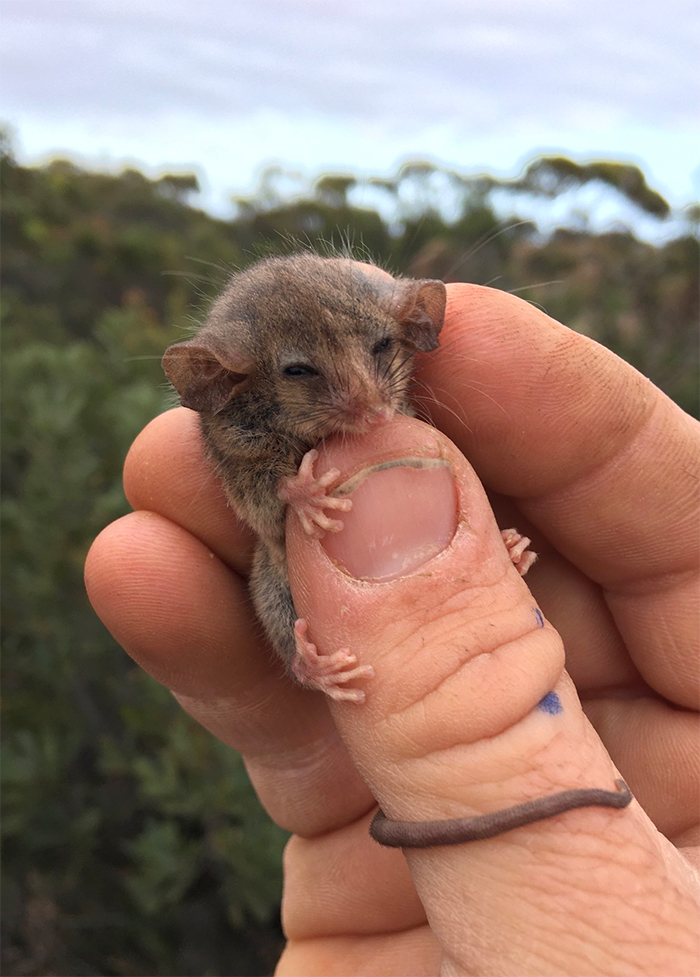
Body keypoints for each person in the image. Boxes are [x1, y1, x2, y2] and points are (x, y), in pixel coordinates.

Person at [85, 283, 699, 976]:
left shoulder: (390, 398)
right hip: (296, 573)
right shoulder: (237, 419)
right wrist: (290, 492)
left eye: (380, 350)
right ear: (231, 378)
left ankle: (490, 559)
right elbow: (258, 506)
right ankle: (307, 662)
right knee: (270, 587)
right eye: (303, 372)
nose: (369, 398)